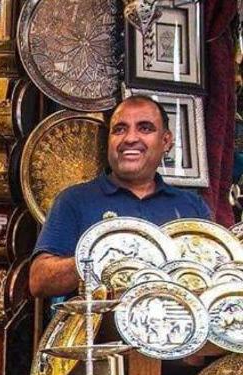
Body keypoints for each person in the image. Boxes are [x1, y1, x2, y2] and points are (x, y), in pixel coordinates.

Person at [29, 94, 211, 298]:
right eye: (119, 129)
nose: (130, 138)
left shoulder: (192, 207)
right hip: (100, 320)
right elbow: (39, 281)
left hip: (175, 317)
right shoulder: (74, 200)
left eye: (145, 128)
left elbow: (213, 277)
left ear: (166, 141)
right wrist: (105, 256)